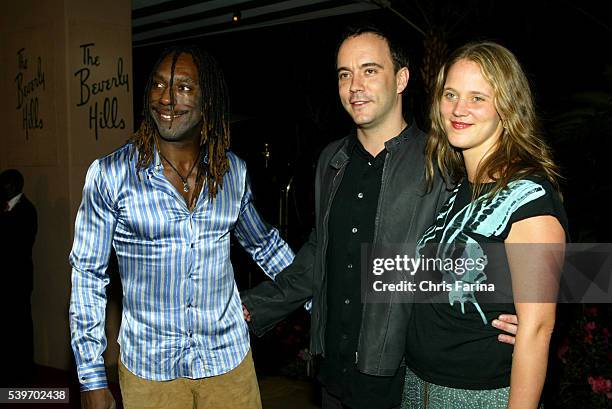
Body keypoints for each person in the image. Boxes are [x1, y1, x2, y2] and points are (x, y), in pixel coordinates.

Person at [241, 27, 520, 409]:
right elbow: (320, 253)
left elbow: (494, 235)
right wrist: (253, 307)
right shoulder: (330, 162)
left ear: (401, 79)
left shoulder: (442, 160)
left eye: (369, 70)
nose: (355, 85)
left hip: (401, 378)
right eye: (344, 74)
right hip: (332, 371)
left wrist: (525, 310)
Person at [69, 45, 294, 409]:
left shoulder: (231, 173)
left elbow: (265, 245)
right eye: (158, 86)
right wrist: (91, 377)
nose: (167, 98)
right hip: (150, 373)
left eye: (184, 88)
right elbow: (88, 276)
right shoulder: (110, 176)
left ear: (208, 101)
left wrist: (321, 304)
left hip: (229, 366)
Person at [401, 41, 567, 408]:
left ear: (507, 109)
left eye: (478, 97)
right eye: (451, 94)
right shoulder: (460, 187)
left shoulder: (528, 197)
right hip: (418, 387)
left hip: (480, 396)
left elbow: (538, 329)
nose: (459, 109)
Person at [0, 169, 38, 387]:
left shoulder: (27, 211)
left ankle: (24, 372)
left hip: (18, 280)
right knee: (6, 326)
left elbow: (20, 245)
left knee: (20, 324)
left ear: (13, 186)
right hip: (4, 280)